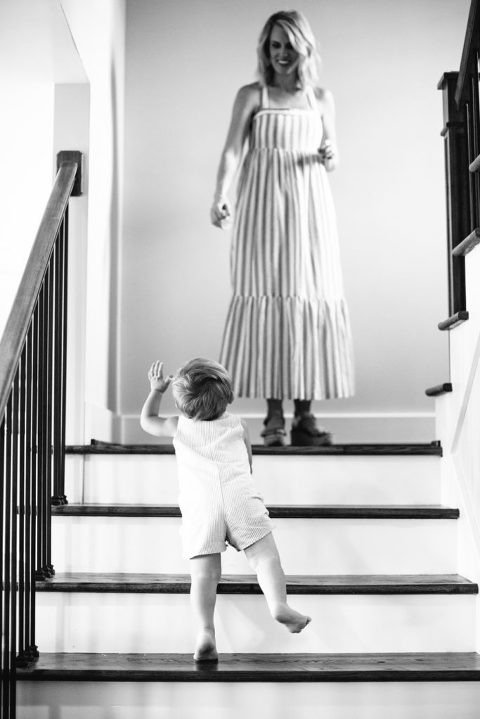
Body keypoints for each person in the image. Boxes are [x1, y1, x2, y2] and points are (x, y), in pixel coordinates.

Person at [210, 10, 354, 447]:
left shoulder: (321, 99)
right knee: (269, 297)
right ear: (265, 49)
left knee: (310, 298)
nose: (282, 53)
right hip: (262, 209)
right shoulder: (253, 95)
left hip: (310, 210)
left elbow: (333, 156)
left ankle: (305, 417)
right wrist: (220, 194)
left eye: (289, 45)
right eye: (275, 45)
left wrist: (331, 154)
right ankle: (274, 417)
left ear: (304, 47)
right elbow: (233, 151)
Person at [140, 358, 311, 662]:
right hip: (240, 498)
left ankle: (206, 630)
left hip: (201, 506)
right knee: (265, 559)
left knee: (204, 575)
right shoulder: (238, 424)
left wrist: (156, 390)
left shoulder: (177, 425)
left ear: (183, 404)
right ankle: (278, 605)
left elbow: (147, 420)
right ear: (226, 394)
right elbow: (248, 462)